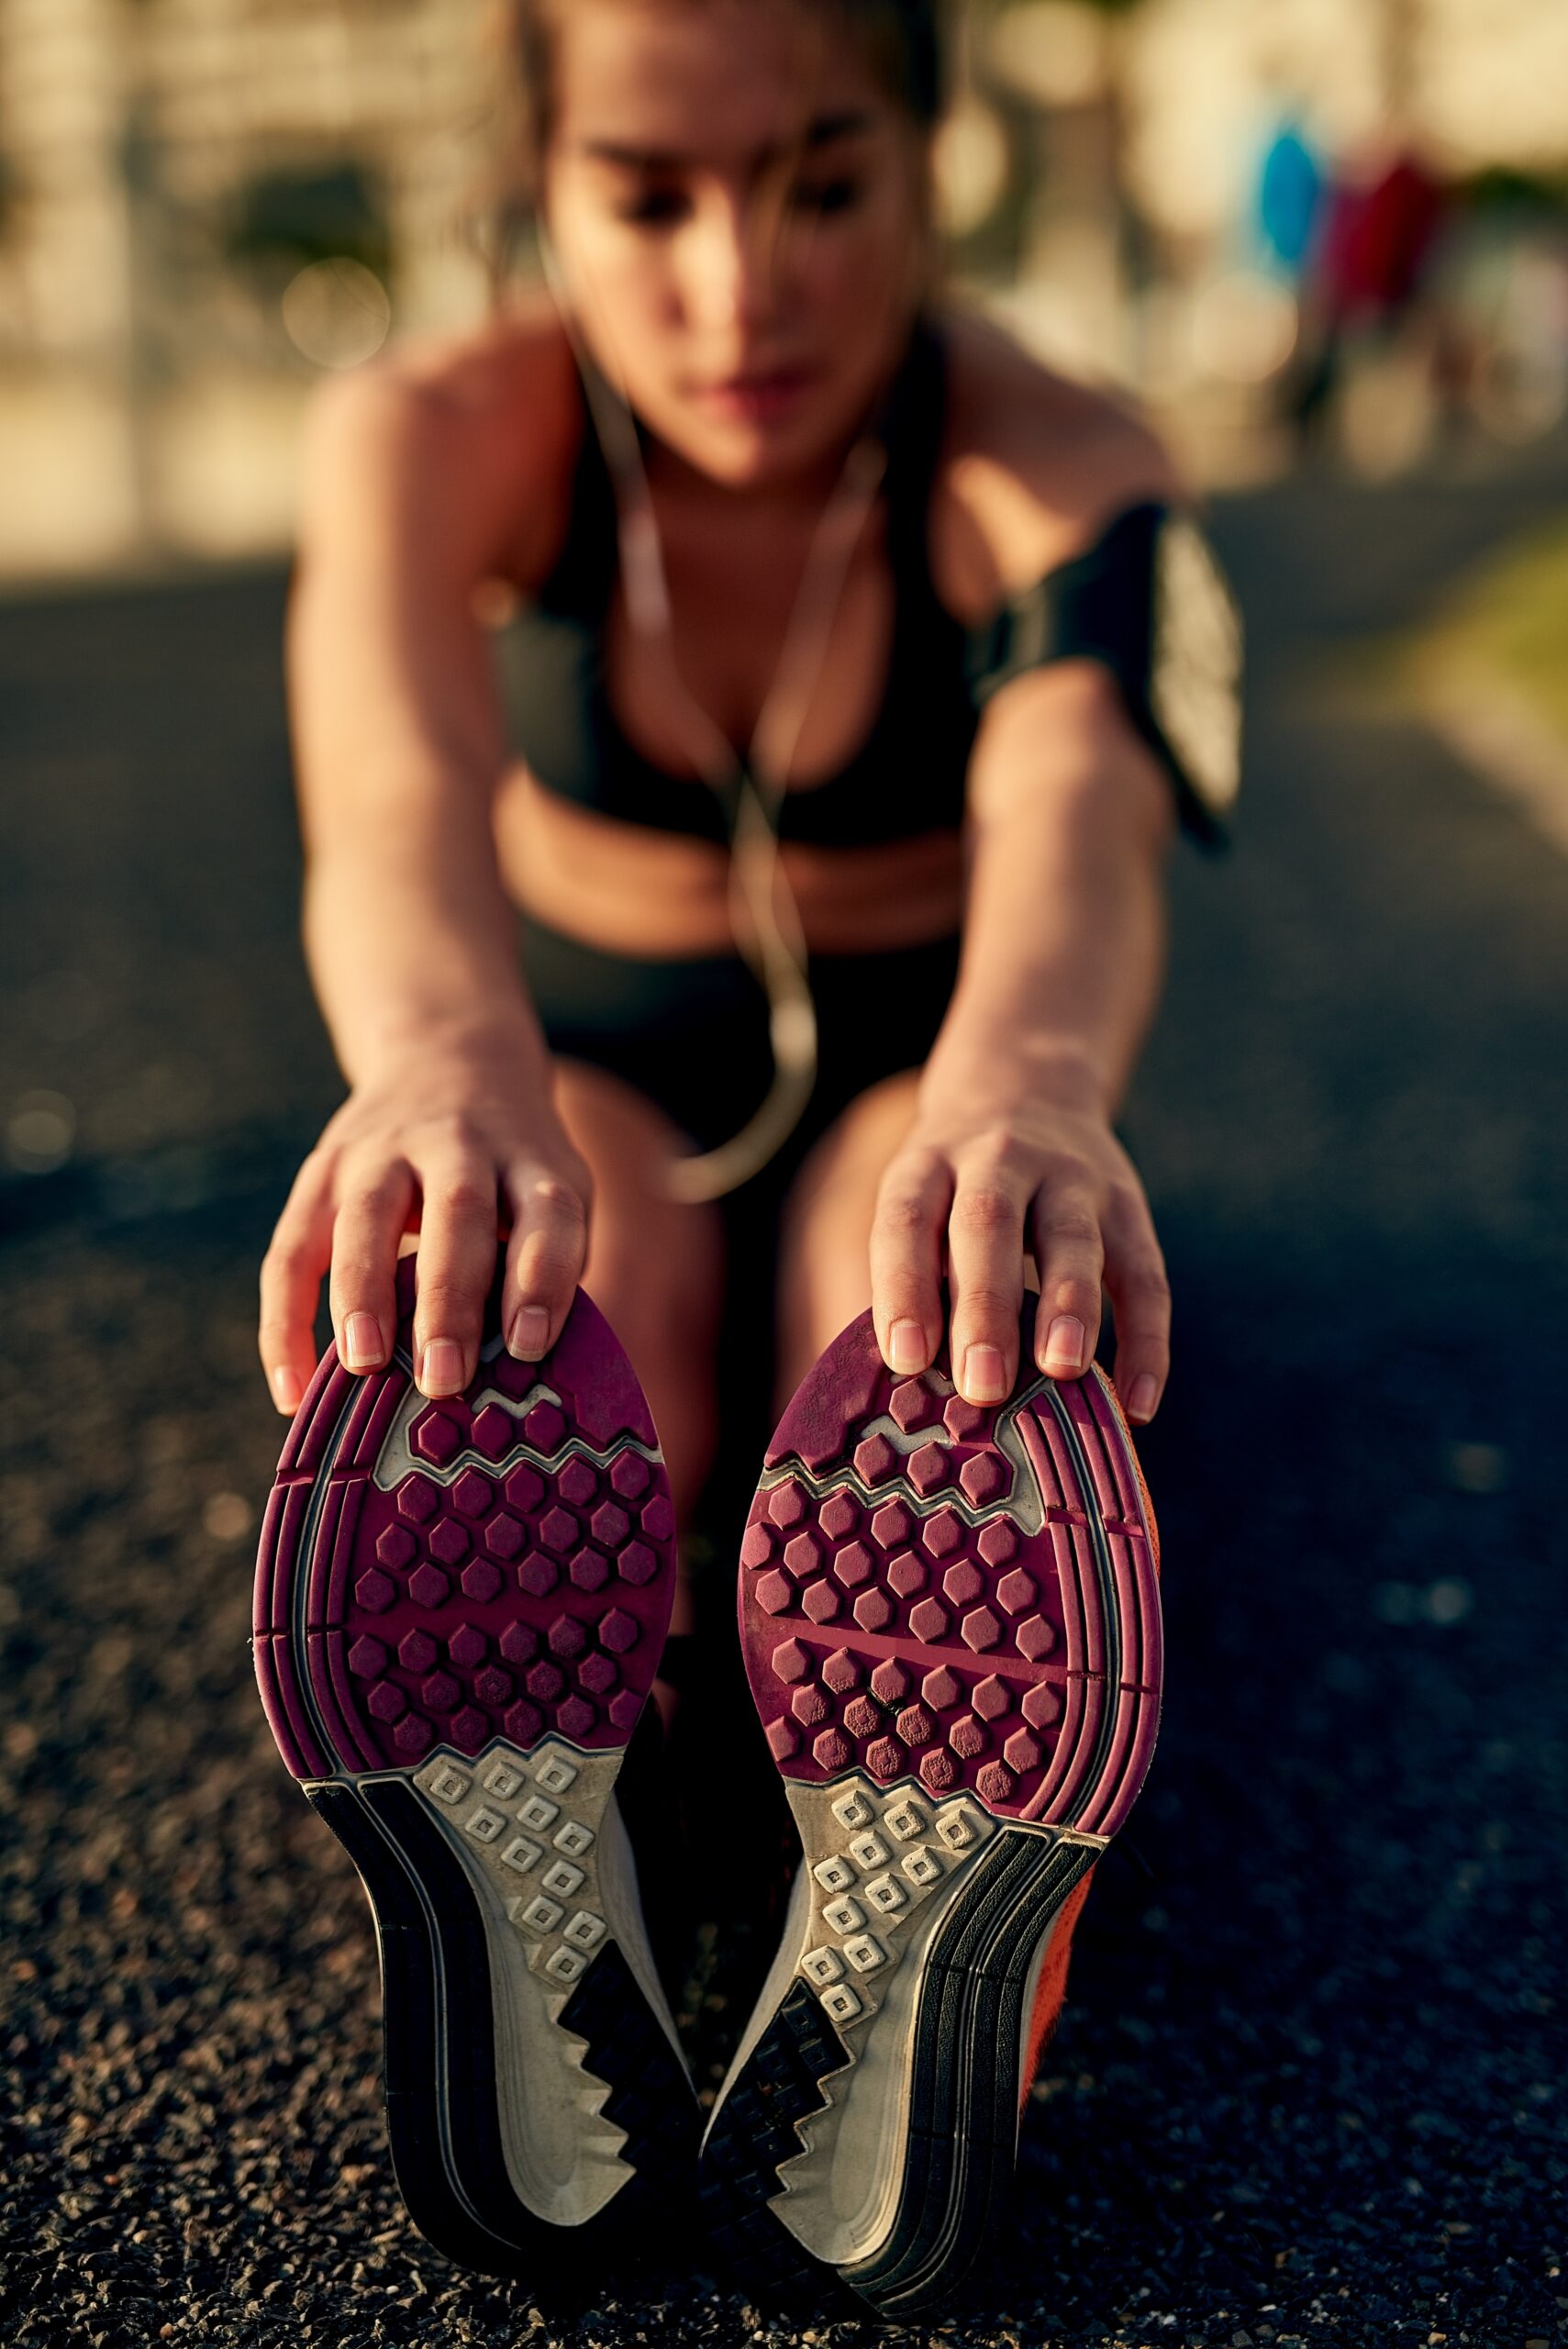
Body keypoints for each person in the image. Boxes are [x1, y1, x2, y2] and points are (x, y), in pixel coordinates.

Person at [251, 0, 1240, 2312]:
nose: (741, 283)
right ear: (545, 184)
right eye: (652, 196)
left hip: (938, 1047)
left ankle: (911, 1847)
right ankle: (551, 1790)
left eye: (821, 180)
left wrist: (1028, 1087)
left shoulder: (1055, 454)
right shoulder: (435, 427)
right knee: (547, 1261)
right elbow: (386, 794)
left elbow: (1080, 815)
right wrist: (428, 1068)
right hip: (576, 1054)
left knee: (924, 1252)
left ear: (930, 158)